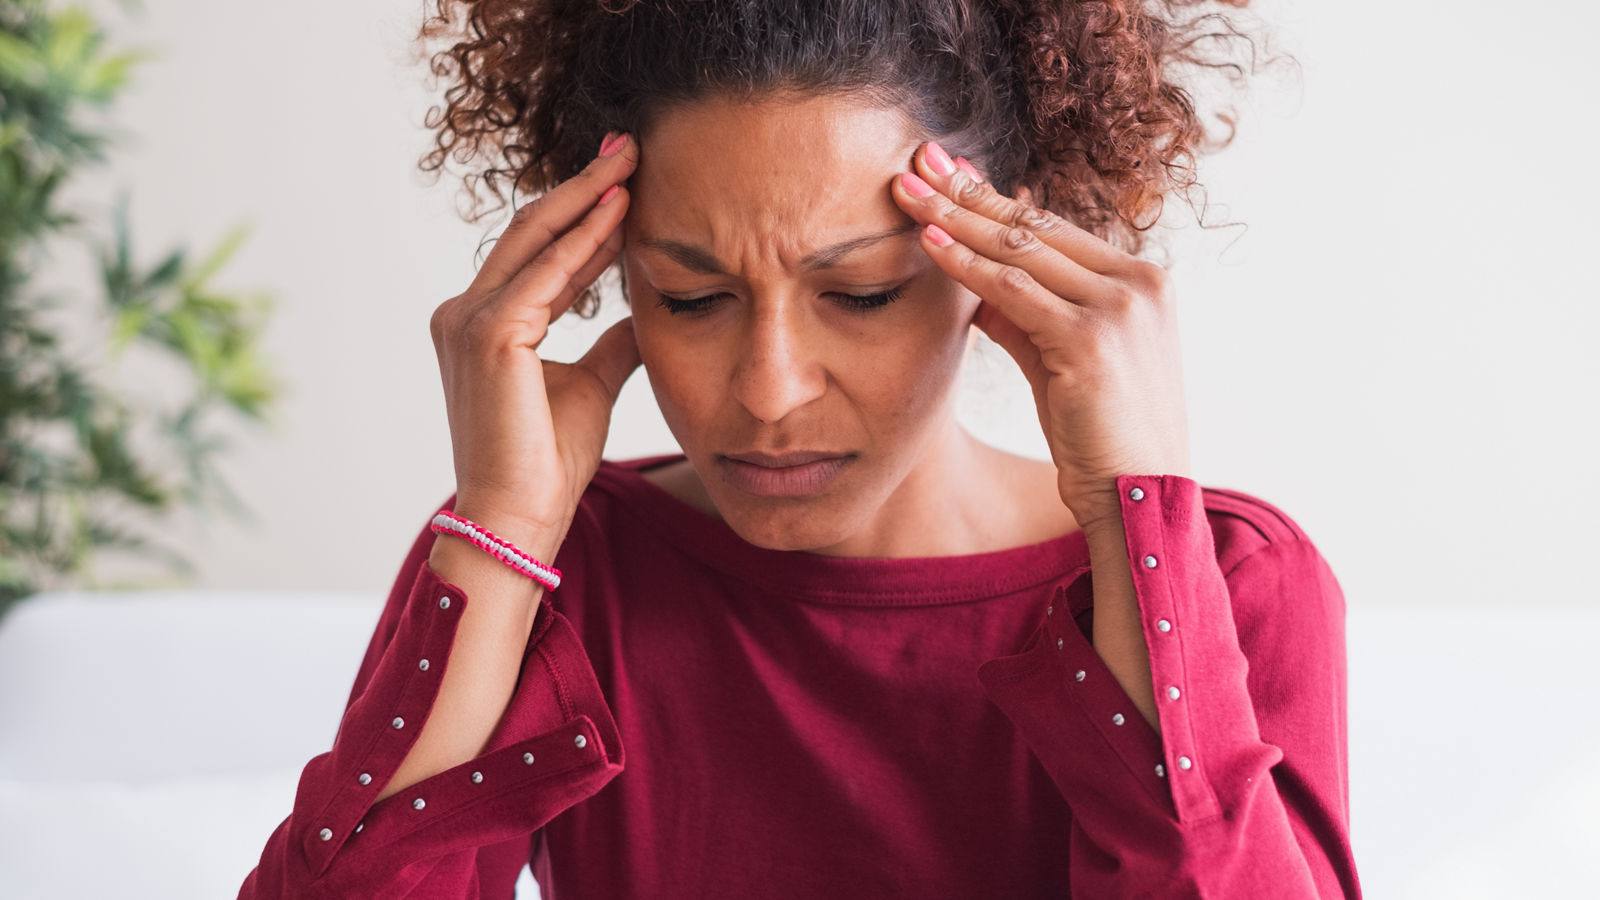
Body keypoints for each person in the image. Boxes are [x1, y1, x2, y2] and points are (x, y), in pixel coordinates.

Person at [239, 0, 1361, 897]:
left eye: (862, 294)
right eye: (690, 298)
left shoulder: (1232, 580)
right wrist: (501, 528)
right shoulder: (547, 571)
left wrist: (1134, 517)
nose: (769, 392)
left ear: (999, 261)